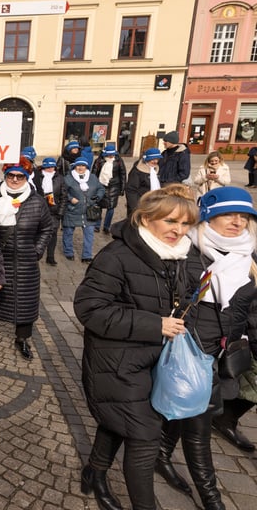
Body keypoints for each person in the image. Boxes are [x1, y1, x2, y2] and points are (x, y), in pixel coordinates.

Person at [74, 185, 198, 510]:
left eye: (185, 224)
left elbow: (178, 299)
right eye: (170, 221)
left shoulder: (176, 254)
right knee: (144, 438)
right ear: (146, 218)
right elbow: (89, 308)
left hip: (154, 361)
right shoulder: (117, 256)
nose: (178, 230)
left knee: (118, 422)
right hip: (116, 364)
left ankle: (95, 473)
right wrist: (155, 324)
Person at [154, 187, 257, 509]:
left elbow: (248, 311)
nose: (237, 222)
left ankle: (161, 455)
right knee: (198, 428)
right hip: (190, 353)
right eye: (228, 214)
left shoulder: (248, 256)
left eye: (244, 216)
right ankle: (213, 499)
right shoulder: (186, 252)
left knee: (180, 413)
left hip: (223, 352)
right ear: (209, 216)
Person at [0, 163, 53, 359]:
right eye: (10, 175)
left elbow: (47, 228)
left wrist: (37, 250)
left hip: (26, 262)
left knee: (25, 303)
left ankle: (22, 339)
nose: (14, 179)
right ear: (5, 175)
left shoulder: (36, 201)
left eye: (19, 176)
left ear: (26, 177)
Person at [62, 158, 105, 263]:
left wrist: (97, 197)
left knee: (89, 234)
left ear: (87, 167)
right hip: (72, 210)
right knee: (68, 232)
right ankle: (68, 252)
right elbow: (62, 191)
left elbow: (101, 188)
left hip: (89, 211)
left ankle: (87, 255)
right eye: (78, 166)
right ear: (74, 166)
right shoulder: (68, 178)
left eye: (83, 166)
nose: (80, 168)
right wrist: (70, 198)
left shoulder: (93, 177)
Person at [32, 157, 66, 266]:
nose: (50, 169)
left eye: (52, 167)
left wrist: (60, 212)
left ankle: (50, 256)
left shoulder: (60, 179)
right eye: (47, 167)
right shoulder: (37, 176)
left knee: (53, 233)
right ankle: (34, 253)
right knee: (37, 232)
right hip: (39, 209)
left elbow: (64, 196)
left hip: (54, 211)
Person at [91, 144, 127, 235]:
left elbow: (123, 174)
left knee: (111, 208)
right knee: (98, 206)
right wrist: (92, 186)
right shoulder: (99, 161)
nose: (111, 156)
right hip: (101, 185)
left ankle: (107, 226)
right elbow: (94, 174)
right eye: (109, 154)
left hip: (114, 186)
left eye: (112, 154)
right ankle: (97, 225)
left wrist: (122, 188)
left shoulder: (118, 161)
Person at [125, 148, 163, 219]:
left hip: (153, 204)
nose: (156, 161)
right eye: (153, 159)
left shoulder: (156, 169)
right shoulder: (137, 171)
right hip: (141, 205)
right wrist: (135, 208)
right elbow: (131, 190)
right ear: (147, 159)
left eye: (157, 159)